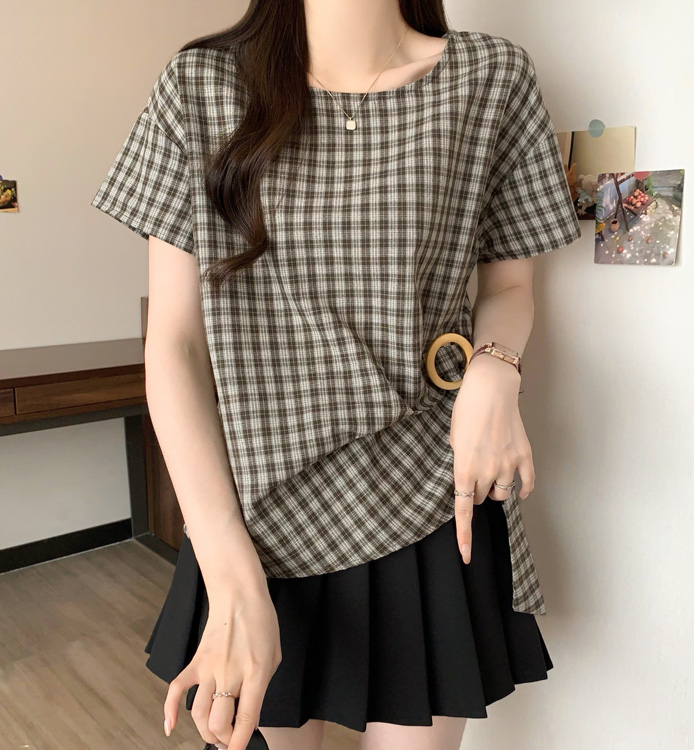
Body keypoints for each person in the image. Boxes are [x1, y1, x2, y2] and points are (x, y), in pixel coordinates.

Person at [90, 2, 581, 749]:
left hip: (429, 494)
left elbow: (510, 285)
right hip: (257, 510)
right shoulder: (200, 87)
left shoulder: (491, 77)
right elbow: (175, 346)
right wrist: (226, 565)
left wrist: (495, 368)